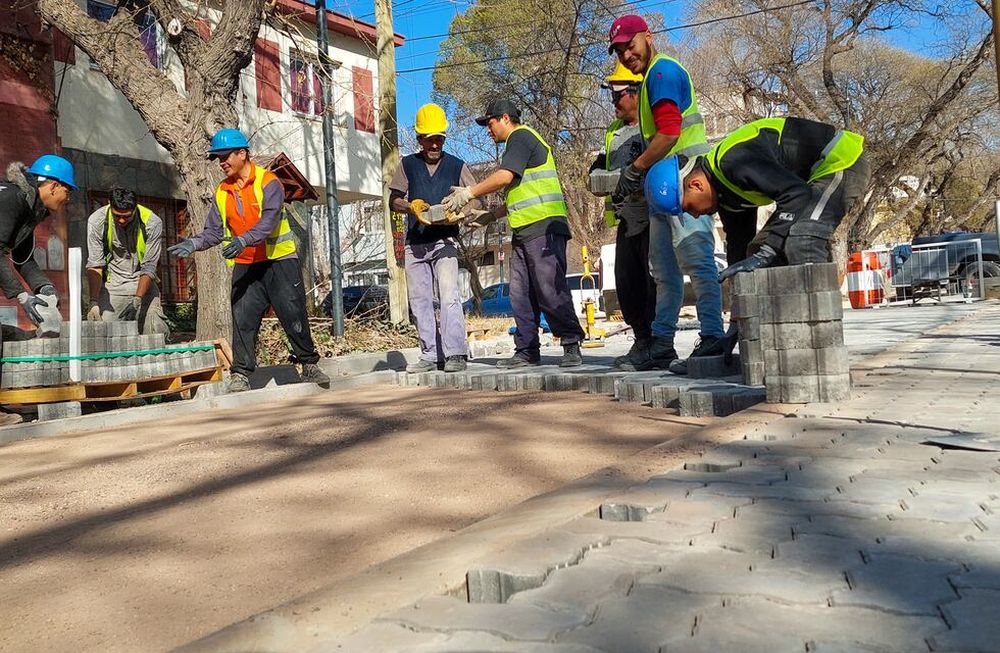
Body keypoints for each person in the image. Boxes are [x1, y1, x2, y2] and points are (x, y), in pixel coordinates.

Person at [168, 128, 330, 392]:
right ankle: (241, 374)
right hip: (246, 264)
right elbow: (214, 232)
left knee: (293, 314)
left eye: (225, 156)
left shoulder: (269, 182)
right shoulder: (222, 191)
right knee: (242, 320)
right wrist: (194, 243)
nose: (221, 163)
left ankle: (309, 365)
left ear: (242, 154)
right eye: (218, 158)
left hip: (279, 261)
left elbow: (269, 221)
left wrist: (243, 240)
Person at [608, 14, 725, 371]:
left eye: (630, 45)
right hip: (664, 188)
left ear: (648, 36)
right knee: (663, 270)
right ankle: (661, 344)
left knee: (697, 261)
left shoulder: (662, 73)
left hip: (688, 184)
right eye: (619, 51)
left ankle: (713, 337)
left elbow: (670, 133)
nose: (626, 55)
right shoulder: (649, 81)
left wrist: (635, 168)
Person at [442, 99, 586, 368]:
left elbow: (504, 177)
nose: (488, 130)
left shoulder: (520, 137)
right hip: (524, 230)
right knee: (520, 293)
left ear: (505, 118)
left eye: (490, 123)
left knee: (549, 288)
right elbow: (520, 194)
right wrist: (491, 216)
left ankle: (570, 343)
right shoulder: (517, 144)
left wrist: (469, 193)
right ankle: (527, 350)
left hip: (544, 227)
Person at [644, 117, 870, 278]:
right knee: (756, 253)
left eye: (688, 207)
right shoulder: (726, 195)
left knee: (803, 239)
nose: (694, 215)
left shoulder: (733, 162)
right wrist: (737, 320)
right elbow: (739, 252)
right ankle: (776, 327)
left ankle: (819, 331)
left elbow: (796, 194)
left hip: (840, 161)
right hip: (812, 179)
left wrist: (769, 251)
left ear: (696, 185)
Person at [389, 103, 473, 373]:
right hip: (415, 243)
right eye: (429, 139)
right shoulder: (408, 165)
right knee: (420, 300)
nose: (435, 144)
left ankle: (455, 353)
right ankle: (430, 355)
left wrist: (461, 213)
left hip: (445, 241)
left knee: (449, 296)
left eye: (439, 138)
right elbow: (393, 200)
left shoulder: (457, 166)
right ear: (419, 139)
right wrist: (410, 206)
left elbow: (475, 197)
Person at [588, 62, 656, 371]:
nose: (613, 102)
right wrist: (596, 178)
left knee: (653, 281)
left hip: (653, 216)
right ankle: (641, 340)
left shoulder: (651, 125)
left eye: (618, 96)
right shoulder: (613, 131)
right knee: (627, 283)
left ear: (636, 93)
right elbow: (600, 166)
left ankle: (658, 343)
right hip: (626, 219)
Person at [0, 155, 74, 331]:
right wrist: (22, 296)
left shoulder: (29, 206)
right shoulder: (12, 198)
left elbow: (23, 258)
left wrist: (44, 287)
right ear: (54, 186)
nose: (68, 199)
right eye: (68, 192)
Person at [85, 187, 169, 335]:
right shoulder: (97, 221)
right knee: (105, 335)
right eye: (117, 216)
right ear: (109, 203)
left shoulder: (152, 222)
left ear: (135, 207)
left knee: (156, 331)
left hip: (144, 286)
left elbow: (149, 267)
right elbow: (95, 264)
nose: (122, 220)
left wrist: (137, 300)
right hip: (113, 288)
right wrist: (93, 302)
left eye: (127, 216)